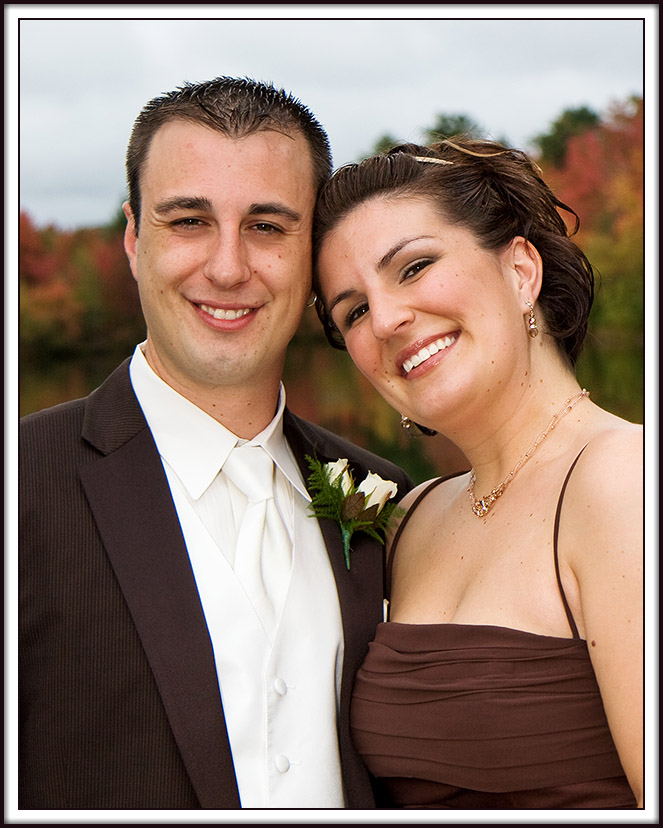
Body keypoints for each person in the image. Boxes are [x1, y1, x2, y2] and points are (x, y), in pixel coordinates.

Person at [18, 76, 412, 810]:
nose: (228, 267)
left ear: (311, 254)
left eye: (266, 226)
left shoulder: (385, 501)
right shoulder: (19, 485)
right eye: (189, 221)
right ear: (135, 239)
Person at [312, 138, 643, 809]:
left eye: (412, 267)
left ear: (521, 271)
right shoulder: (409, 518)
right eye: (352, 310)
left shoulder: (622, 483)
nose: (384, 319)